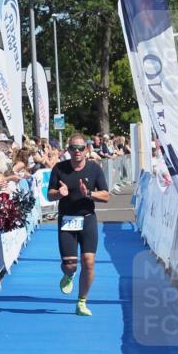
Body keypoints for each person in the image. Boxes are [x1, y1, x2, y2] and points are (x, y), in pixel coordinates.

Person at [47, 134, 110, 316]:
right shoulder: (59, 168)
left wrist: (89, 193)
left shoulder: (94, 169)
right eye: (73, 148)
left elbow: (106, 195)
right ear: (68, 150)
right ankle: (69, 274)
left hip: (87, 219)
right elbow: (49, 195)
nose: (77, 151)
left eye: (81, 148)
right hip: (67, 220)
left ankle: (81, 302)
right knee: (70, 265)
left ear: (86, 150)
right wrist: (59, 194)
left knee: (88, 262)